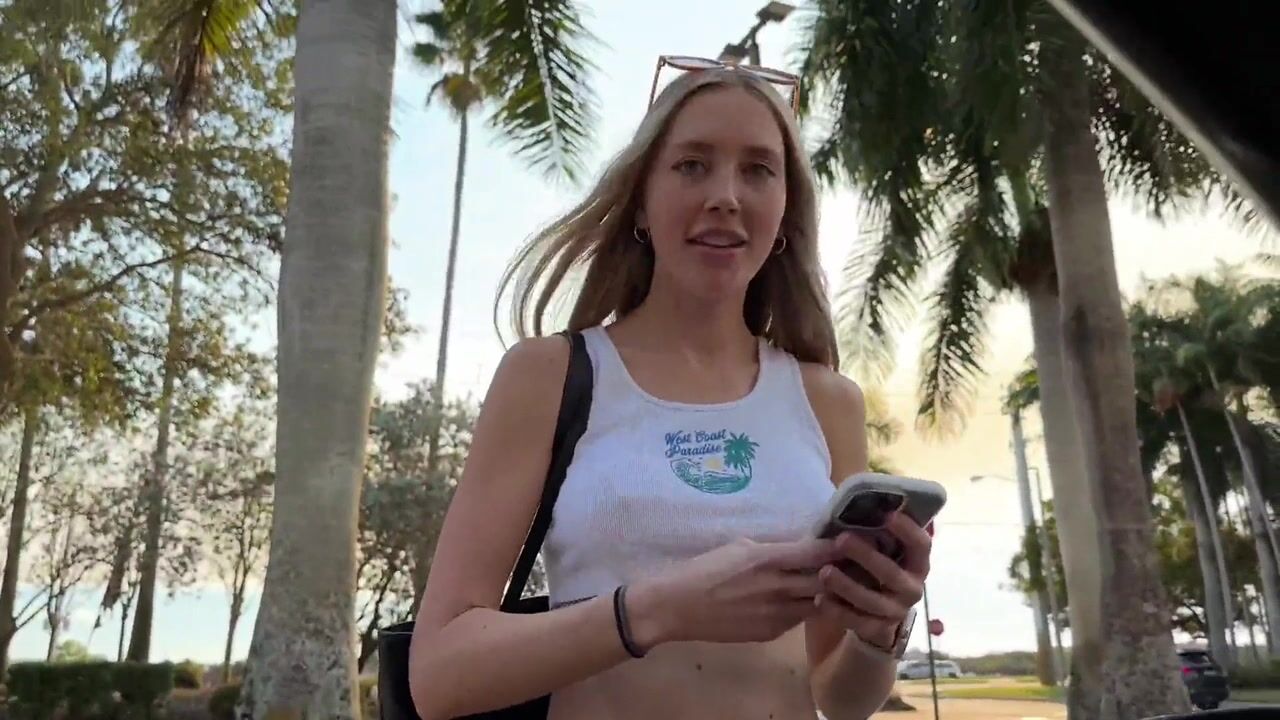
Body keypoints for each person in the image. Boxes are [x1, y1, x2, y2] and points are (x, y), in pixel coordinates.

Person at [408, 58, 933, 720]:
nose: (726, 195)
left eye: (758, 169)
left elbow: (839, 696)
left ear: (785, 213)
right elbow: (438, 675)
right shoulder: (551, 375)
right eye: (691, 165)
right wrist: (657, 610)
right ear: (642, 203)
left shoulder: (829, 401)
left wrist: (881, 631)